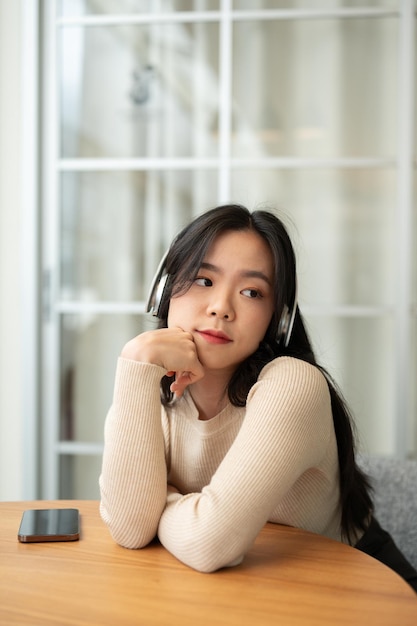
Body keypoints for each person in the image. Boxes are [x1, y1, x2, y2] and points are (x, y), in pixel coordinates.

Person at [99, 204, 417, 590]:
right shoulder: (151, 380)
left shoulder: (292, 384)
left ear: (278, 319)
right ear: (165, 290)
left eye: (252, 292)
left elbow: (207, 544)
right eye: (203, 280)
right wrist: (135, 362)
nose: (220, 308)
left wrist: (161, 503)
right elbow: (132, 530)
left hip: (362, 596)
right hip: (252, 595)